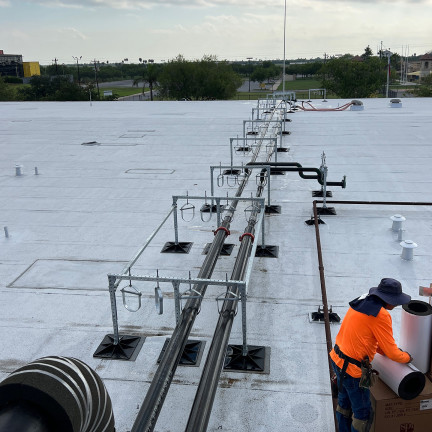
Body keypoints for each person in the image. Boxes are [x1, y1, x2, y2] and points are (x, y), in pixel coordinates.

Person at [329, 278, 412, 432]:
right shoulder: (381, 315)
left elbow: (368, 337)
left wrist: (384, 350)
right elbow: (393, 353)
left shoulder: (363, 300)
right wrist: (408, 357)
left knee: (344, 405)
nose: (396, 305)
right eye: (395, 301)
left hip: (337, 359)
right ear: (389, 299)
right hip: (352, 372)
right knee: (363, 415)